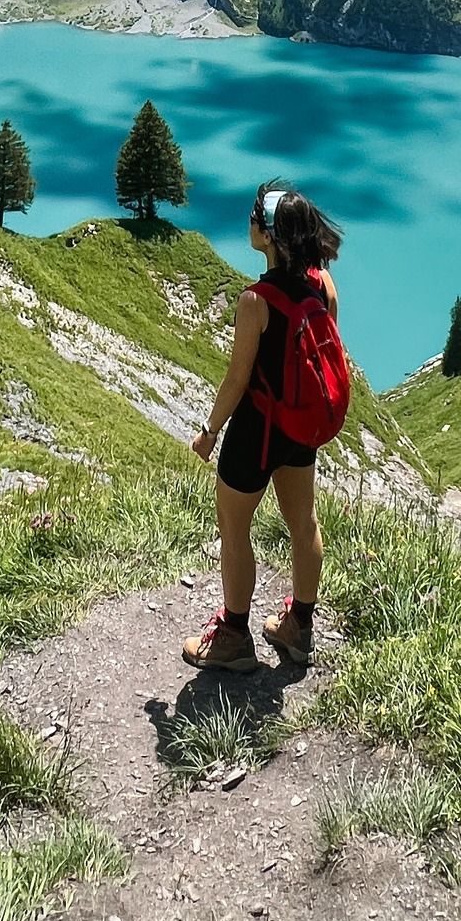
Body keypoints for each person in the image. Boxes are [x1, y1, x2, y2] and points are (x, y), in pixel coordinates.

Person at [183, 180, 345, 673]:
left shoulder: (255, 300)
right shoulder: (322, 283)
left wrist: (209, 432)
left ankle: (234, 636)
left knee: (235, 529)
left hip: (256, 431)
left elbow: (237, 379)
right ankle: (299, 627)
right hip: (300, 428)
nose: (250, 219)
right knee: (304, 524)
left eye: (257, 215)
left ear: (272, 237)